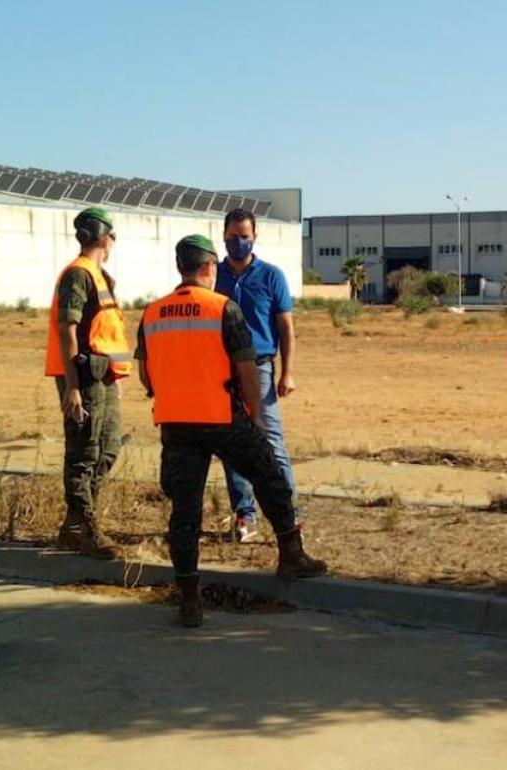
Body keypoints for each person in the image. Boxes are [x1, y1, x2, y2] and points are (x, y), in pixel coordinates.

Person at [136, 234, 327, 628]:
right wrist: (255, 417)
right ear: (210, 268)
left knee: (184, 513)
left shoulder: (152, 313)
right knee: (269, 475)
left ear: (180, 267)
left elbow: (145, 371)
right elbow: (245, 369)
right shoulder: (223, 308)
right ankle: (291, 555)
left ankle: (189, 599)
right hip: (222, 417)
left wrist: (166, 393)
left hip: (175, 424)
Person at [44, 206, 132, 560]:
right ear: (102, 235)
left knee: (108, 447)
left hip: (104, 378)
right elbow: (68, 330)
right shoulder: (78, 275)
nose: (113, 241)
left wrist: (115, 377)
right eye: (111, 234)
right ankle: (88, 528)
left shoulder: (100, 276)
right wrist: (73, 387)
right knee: (83, 453)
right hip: (84, 378)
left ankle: (74, 526)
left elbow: (105, 332)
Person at [213, 208, 299, 542]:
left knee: (270, 440)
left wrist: (288, 372)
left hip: (261, 367)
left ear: (255, 237)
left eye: (244, 237)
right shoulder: (214, 276)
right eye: (233, 237)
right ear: (224, 236)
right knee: (234, 444)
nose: (239, 243)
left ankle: (287, 512)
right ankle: (244, 515)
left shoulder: (271, 276)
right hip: (224, 368)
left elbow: (286, 327)